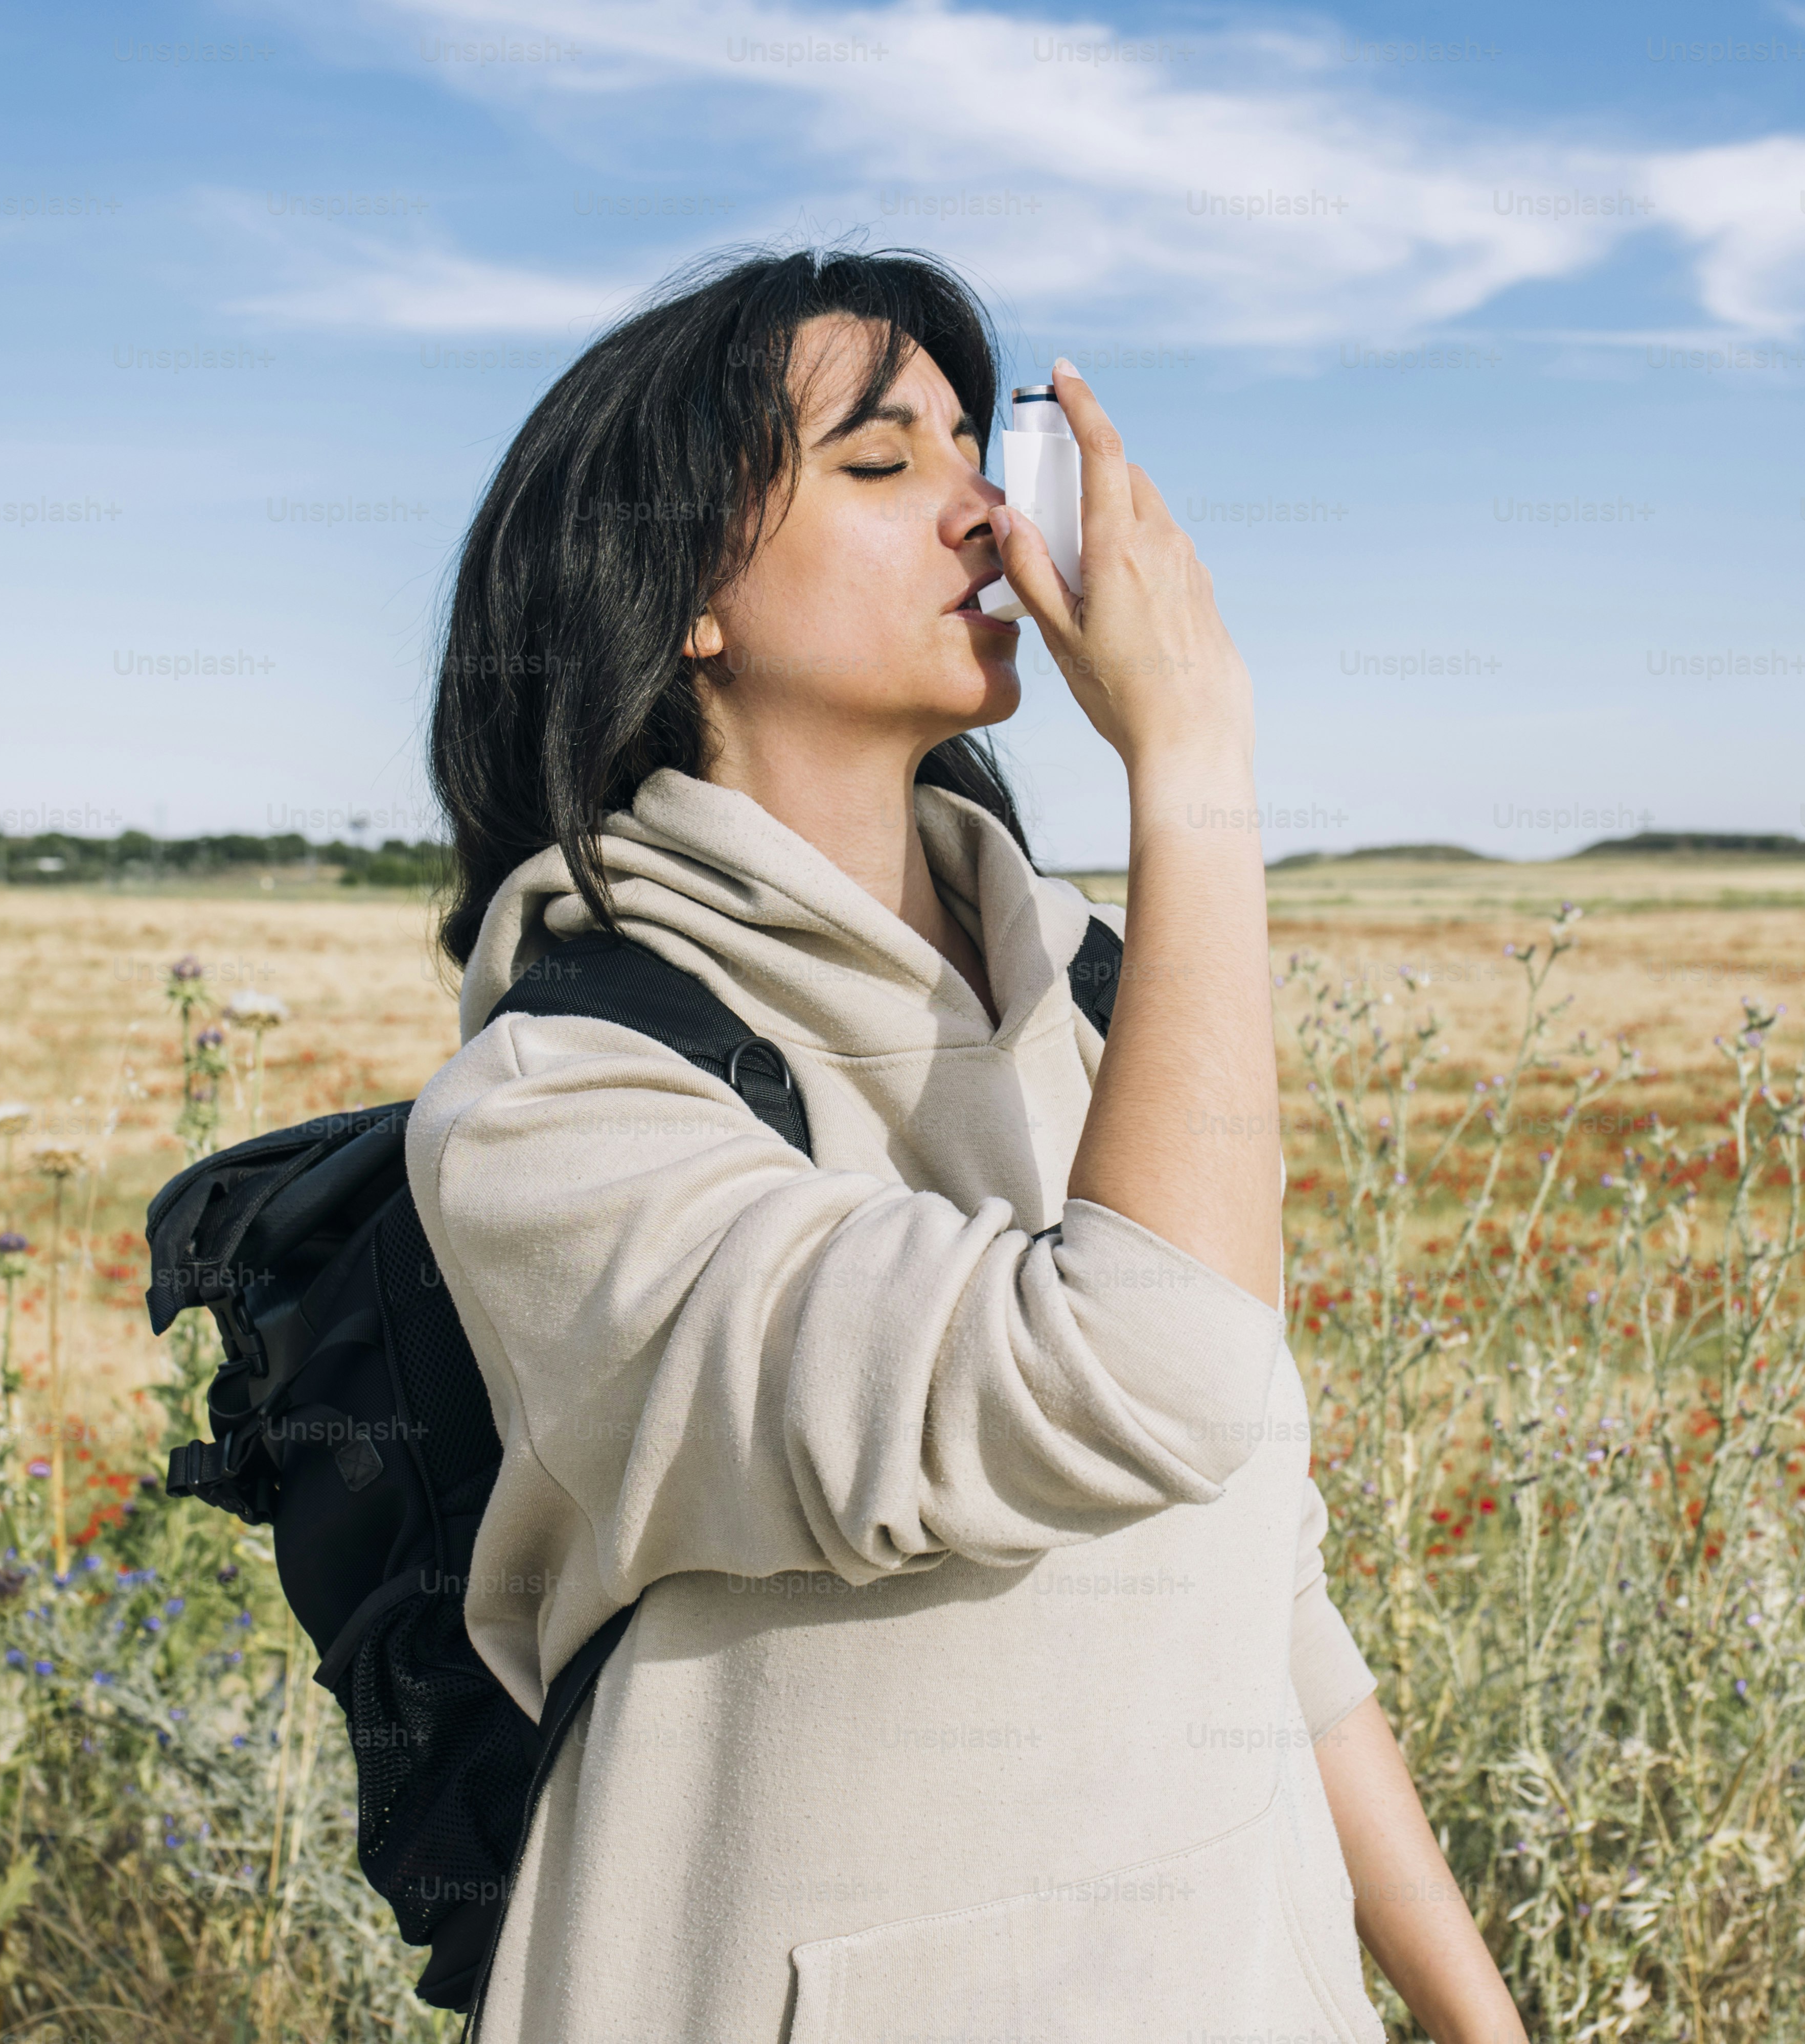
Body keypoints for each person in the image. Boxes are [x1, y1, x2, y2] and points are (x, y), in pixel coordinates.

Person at [406, 245, 1528, 2044]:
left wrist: (1477, 2019)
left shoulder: (1089, 995)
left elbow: (1262, 1573)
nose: (988, 515)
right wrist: (1200, 764)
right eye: (880, 462)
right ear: (679, 592)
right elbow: (1135, 1376)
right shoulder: (563, 1103)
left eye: (970, 446)